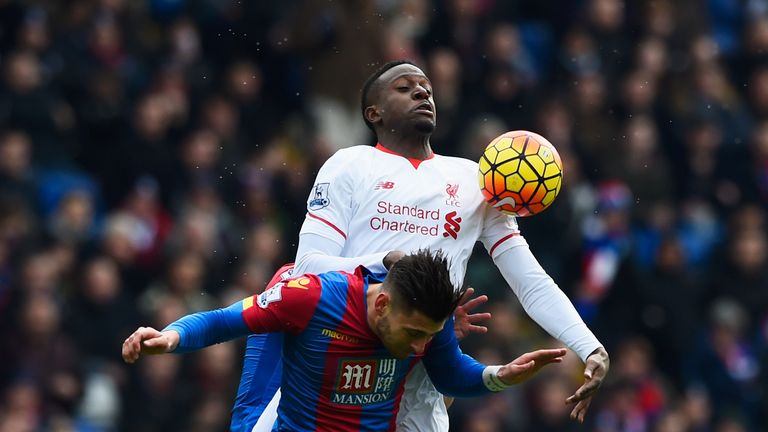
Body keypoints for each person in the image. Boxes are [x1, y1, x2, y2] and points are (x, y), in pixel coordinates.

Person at [241, 60, 610, 432]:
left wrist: (589, 347)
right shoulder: (349, 164)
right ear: (374, 113)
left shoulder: (476, 181)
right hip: (339, 367)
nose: (422, 92)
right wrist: (387, 264)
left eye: (427, 88)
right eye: (404, 88)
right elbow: (306, 270)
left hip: (419, 382)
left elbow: (529, 280)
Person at [122, 250, 567, 431]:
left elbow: (451, 375)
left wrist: (501, 375)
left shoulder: (429, 324)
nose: (419, 348)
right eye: (414, 334)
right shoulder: (314, 297)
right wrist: (170, 337)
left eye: (428, 337)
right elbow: (223, 321)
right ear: (380, 306)